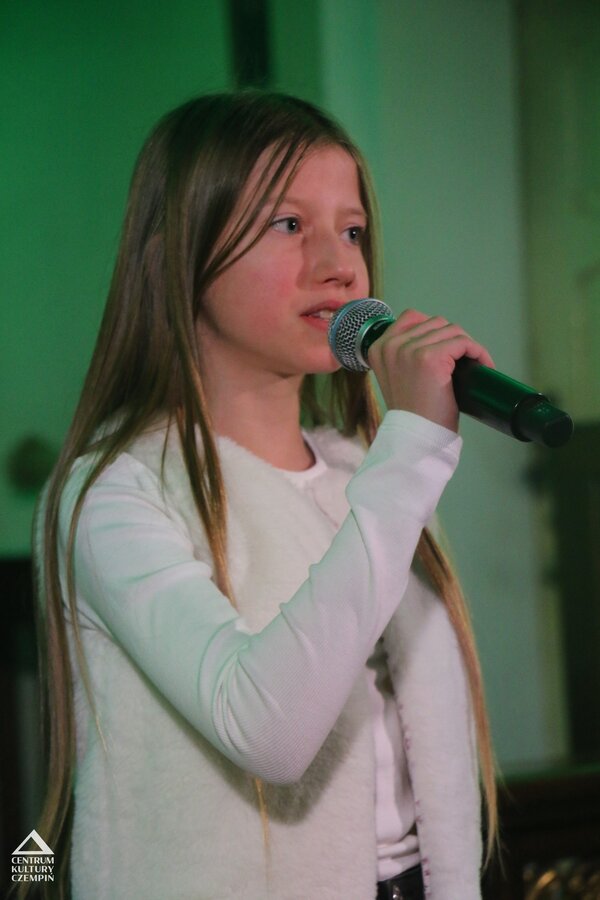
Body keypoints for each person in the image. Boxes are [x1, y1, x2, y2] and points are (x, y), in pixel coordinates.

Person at [25, 91, 497, 900]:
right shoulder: (113, 493)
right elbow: (266, 729)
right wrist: (412, 449)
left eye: (352, 231)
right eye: (288, 224)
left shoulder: (360, 471)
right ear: (180, 257)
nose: (339, 264)